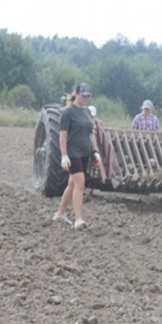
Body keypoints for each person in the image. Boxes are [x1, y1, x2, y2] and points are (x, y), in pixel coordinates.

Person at [53, 83, 101, 229]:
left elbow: (90, 133)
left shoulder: (87, 111)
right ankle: (78, 219)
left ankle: (60, 213)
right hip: (72, 153)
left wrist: (96, 151)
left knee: (72, 184)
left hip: (84, 153)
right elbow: (63, 135)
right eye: (83, 95)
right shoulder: (68, 112)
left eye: (88, 96)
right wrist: (64, 155)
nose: (86, 98)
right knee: (80, 185)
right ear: (77, 94)